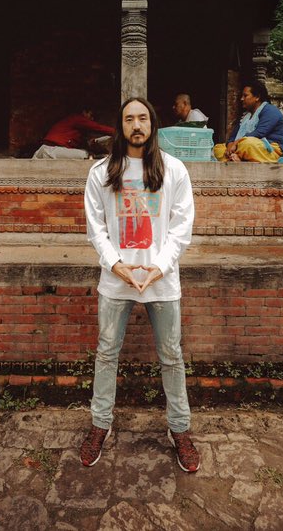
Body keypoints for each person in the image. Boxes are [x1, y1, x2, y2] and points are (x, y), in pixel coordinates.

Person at [79, 97, 200, 473]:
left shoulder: (174, 169)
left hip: (161, 282)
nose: (136, 125)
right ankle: (100, 425)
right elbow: (95, 226)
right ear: (121, 125)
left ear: (153, 124)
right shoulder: (101, 171)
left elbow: (182, 227)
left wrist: (159, 269)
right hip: (117, 282)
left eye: (143, 118)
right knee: (106, 354)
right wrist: (116, 266)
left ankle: (179, 430)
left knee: (171, 357)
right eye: (129, 118)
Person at [213, 79, 283, 162]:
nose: (241, 99)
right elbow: (233, 137)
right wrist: (230, 145)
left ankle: (235, 158)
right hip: (242, 147)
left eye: (245, 96)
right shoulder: (245, 115)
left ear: (257, 97)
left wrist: (236, 143)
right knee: (218, 148)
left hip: (269, 149)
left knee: (248, 144)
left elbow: (259, 133)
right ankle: (237, 157)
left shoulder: (271, 111)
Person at [32, 107, 115, 159]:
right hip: (50, 150)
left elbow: (83, 144)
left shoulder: (75, 131)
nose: (92, 119)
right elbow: (99, 128)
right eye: (91, 115)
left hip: (44, 151)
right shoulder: (77, 119)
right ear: (84, 112)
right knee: (86, 155)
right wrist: (120, 132)